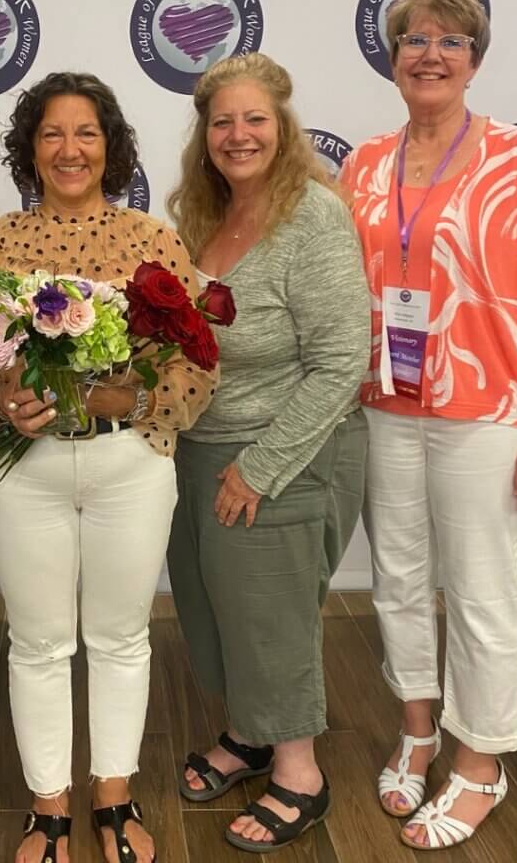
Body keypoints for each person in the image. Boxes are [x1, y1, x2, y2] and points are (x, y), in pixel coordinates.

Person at [0, 72, 214, 863]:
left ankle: (114, 797)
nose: (70, 149)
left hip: (128, 465)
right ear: (30, 150)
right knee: (37, 642)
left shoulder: (153, 241)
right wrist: (1, 397)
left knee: (122, 637)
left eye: (87, 132)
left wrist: (135, 402)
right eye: (52, 133)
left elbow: (197, 361)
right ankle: (48, 809)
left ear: (112, 147)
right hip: (24, 469)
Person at [341, 0, 517, 850]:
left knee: (482, 591)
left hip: (489, 407)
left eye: (450, 40)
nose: (431, 54)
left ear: (474, 60)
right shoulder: (364, 164)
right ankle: (417, 731)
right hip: (385, 401)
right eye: (414, 39)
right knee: (399, 578)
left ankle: (480, 762)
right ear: (393, 58)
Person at [165, 52, 370, 853]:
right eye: (222, 121)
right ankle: (250, 735)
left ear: (283, 127)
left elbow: (340, 362)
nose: (238, 135)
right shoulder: (201, 214)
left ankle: (299, 773)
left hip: (282, 452)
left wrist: (259, 468)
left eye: (255, 119)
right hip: (199, 445)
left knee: (271, 618)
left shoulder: (311, 217)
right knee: (215, 609)